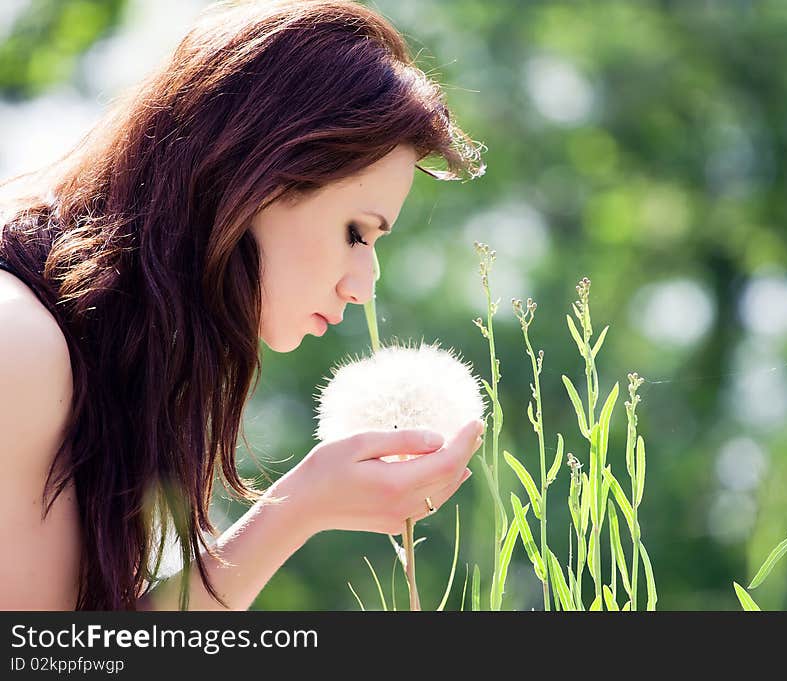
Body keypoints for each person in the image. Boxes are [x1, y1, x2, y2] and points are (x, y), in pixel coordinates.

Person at [0, 0, 485, 611]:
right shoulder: (20, 344)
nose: (363, 285)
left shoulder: (105, 357)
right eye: (356, 232)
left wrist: (302, 509)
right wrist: (295, 510)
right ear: (257, 179)